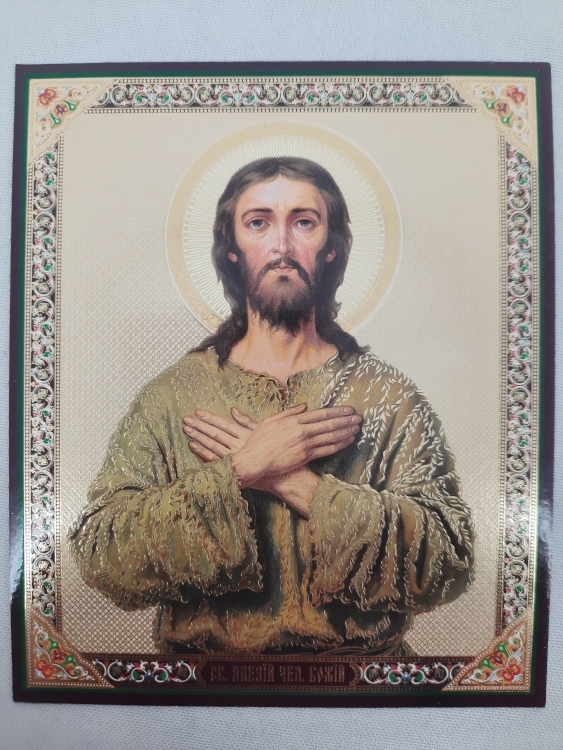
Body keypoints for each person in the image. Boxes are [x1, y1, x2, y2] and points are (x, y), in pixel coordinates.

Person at [69, 157, 473, 655]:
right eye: (258, 223)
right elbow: (102, 554)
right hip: (203, 687)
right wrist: (241, 468)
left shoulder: (389, 397)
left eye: (303, 222)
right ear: (232, 249)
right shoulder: (172, 397)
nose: (282, 245)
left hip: (361, 684)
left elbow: (449, 561)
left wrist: (294, 482)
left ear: (331, 247)